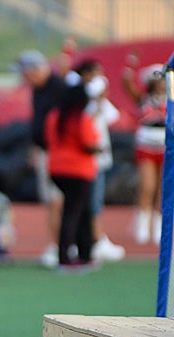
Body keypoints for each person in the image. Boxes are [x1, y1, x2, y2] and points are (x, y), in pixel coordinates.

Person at [14, 49, 65, 268]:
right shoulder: (39, 89)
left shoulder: (59, 88)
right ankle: (59, 245)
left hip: (60, 152)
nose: (23, 78)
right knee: (51, 200)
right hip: (46, 151)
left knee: (57, 200)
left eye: (25, 72)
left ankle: (59, 246)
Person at [44, 81, 101, 272]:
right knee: (75, 213)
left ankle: (83, 254)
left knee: (77, 211)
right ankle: (66, 258)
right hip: (79, 170)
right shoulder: (81, 118)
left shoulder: (54, 116)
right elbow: (90, 143)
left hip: (56, 169)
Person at [75, 59, 126, 262]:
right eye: (97, 73)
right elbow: (85, 119)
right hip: (87, 158)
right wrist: (96, 99)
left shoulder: (95, 98)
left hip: (97, 158)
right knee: (89, 202)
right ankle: (94, 240)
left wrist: (101, 98)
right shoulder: (78, 95)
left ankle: (92, 240)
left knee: (94, 201)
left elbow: (113, 117)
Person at [122, 55, 167, 245]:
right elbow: (126, 82)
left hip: (166, 147)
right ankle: (142, 224)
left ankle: (159, 226)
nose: (160, 83)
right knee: (147, 186)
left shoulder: (171, 101)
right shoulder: (143, 99)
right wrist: (131, 61)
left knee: (163, 188)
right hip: (146, 146)